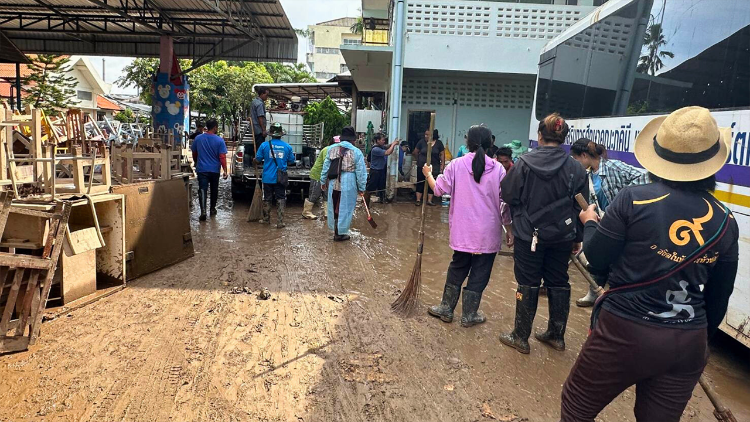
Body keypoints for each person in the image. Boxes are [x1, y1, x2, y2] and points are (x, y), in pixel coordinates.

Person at [560, 106, 739, 422]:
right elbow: (718, 298)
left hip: (624, 330)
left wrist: (589, 222)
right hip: (687, 342)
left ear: (659, 154)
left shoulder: (635, 199)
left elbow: (598, 258)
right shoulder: (726, 221)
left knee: (576, 407)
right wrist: (695, 342)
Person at [498, 113, 588, 354]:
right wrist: (578, 237)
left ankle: (520, 336)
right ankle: (556, 336)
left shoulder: (524, 164)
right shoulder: (576, 169)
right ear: (564, 138)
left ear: (540, 135)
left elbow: (507, 195)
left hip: (530, 235)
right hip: (563, 236)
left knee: (527, 282)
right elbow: (583, 207)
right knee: (559, 282)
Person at [423, 125, 513, 327]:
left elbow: (438, 190)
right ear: (491, 143)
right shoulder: (499, 169)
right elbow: (505, 203)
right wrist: (510, 229)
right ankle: (469, 314)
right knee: (481, 272)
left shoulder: (456, 165)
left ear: (467, 143)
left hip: (463, 231)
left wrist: (428, 174)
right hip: (488, 232)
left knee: (458, 266)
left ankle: (446, 308)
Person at [570, 138, 649, 307]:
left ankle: (616, 299)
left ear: (584, 155)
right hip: (603, 221)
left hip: (622, 221)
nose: (576, 164)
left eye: (576, 159)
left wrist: (622, 202)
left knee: (617, 261)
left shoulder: (614, 166)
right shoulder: (588, 175)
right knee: (598, 259)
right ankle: (594, 293)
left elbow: (644, 178)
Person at [320, 126, 367, 241]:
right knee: (345, 208)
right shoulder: (357, 152)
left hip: (333, 182)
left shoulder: (331, 149)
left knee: (334, 206)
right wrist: (362, 187)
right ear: (353, 140)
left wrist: (323, 181)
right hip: (349, 182)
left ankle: (336, 231)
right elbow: (360, 172)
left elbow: (325, 167)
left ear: (341, 138)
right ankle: (341, 233)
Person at [254, 122, 295, 228]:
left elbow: (258, 160)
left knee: (267, 198)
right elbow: (291, 161)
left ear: (270, 134)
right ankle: (280, 222)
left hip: (267, 177)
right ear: (281, 134)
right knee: (281, 198)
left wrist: (253, 160)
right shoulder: (287, 147)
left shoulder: (264, 145)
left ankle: (266, 219)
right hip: (280, 178)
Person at [191, 119, 228, 221]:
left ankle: (203, 211)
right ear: (215, 127)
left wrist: (196, 162)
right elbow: (222, 157)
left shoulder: (198, 138)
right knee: (214, 189)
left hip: (202, 169)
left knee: (202, 188)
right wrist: (225, 170)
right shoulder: (220, 140)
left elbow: (194, 153)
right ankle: (212, 209)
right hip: (215, 170)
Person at [303, 139, 334, 220]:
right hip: (318, 175)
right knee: (314, 193)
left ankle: (327, 213)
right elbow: (327, 163)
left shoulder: (334, 150)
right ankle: (306, 212)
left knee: (326, 194)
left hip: (327, 176)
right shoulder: (327, 149)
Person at [365, 134, 399, 207]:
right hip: (375, 171)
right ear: (378, 141)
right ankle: (365, 204)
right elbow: (388, 152)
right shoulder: (375, 149)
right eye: (382, 140)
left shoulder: (381, 146)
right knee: (369, 189)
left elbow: (387, 146)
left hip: (381, 170)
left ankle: (381, 201)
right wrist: (393, 144)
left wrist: (393, 143)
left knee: (381, 187)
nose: (384, 141)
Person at [413, 129, 445, 206]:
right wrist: (418, 160)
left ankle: (429, 200)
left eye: (428, 135)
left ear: (433, 135)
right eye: (425, 134)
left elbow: (442, 155)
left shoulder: (439, 143)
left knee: (431, 183)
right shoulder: (421, 142)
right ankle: (418, 200)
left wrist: (442, 165)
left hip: (434, 167)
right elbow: (415, 152)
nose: (426, 136)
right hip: (422, 166)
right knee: (420, 182)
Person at [247, 86, 269, 168]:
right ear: (262, 94)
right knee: (259, 147)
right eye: (266, 95)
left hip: (254, 128)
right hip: (258, 129)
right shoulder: (259, 104)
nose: (267, 97)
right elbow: (260, 117)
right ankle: (257, 163)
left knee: (255, 146)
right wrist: (263, 130)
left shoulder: (254, 101)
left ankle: (255, 162)